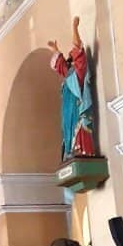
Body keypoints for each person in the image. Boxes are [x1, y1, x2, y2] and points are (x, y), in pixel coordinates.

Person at [48, 15, 95, 160]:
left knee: (77, 128)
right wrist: (56, 50)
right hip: (68, 112)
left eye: (70, 60)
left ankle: (79, 150)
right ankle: (69, 151)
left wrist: (74, 28)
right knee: (67, 131)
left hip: (77, 108)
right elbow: (61, 65)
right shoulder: (69, 75)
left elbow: (77, 49)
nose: (67, 63)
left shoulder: (78, 72)